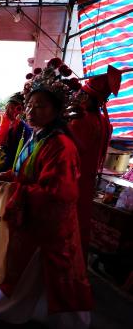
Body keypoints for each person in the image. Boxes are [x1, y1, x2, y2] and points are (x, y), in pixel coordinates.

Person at [0, 59, 92, 329]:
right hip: (30, 217)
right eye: (29, 105)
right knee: (30, 273)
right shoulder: (37, 137)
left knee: (45, 273)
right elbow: (26, 174)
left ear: (57, 111)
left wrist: (14, 188)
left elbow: (58, 194)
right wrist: (7, 176)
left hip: (48, 226)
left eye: (39, 106)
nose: (30, 111)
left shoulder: (61, 146)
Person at [68, 65, 120, 260]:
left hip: (73, 178)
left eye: (82, 95)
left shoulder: (81, 120)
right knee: (80, 220)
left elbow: (70, 150)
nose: (78, 98)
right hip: (87, 181)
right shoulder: (105, 122)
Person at [0, 92, 32, 171]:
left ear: (19, 110)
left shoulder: (23, 128)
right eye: (6, 108)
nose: (7, 111)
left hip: (12, 169)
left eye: (11, 108)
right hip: (2, 164)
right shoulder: (7, 125)